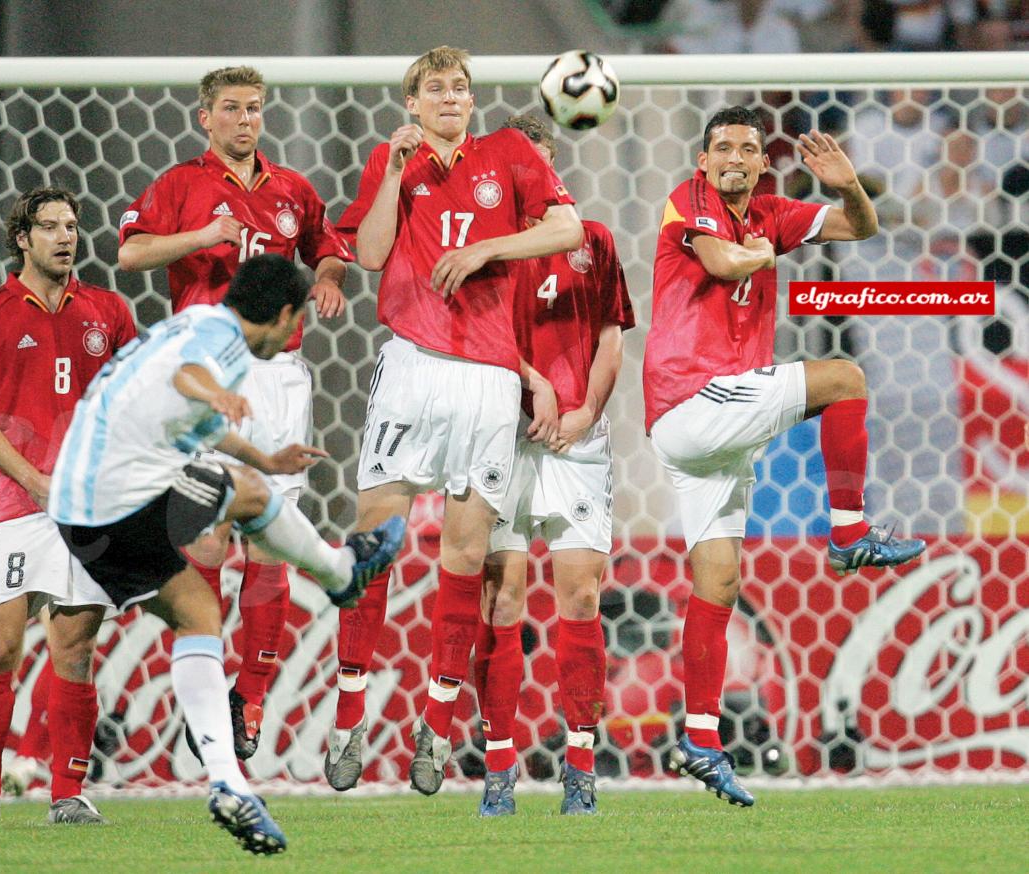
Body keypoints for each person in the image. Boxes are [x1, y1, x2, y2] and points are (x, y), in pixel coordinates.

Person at [48, 254, 405, 856]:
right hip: (119, 500)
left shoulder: (197, 324)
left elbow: (189, 418)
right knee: (240, 518)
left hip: (81, 507)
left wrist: (265, 455)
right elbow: (189, 378)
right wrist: (219, 393)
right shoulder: (218, 341)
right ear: (287, 315)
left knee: (204, 600)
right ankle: (341, 575)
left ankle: (227, 785)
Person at [644, 105, 925, 807]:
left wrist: (848, 185)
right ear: (703, 160)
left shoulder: (771, 208)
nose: (734, 156)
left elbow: (862, 227)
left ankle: (701, 739)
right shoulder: (688, 200)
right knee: (844, 379)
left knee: (718, 580)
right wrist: (772, 247)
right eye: (722, 147)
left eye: (748, 146)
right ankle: (851, 532)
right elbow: (720, 260)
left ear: (765, 161)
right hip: (695, 396)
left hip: (711, 433)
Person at [327, 46, 582, 796]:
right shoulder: (391, 159)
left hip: (490, 379)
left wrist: (487, 247)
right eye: (435, 88)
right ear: (411, 103)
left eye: (460, 87)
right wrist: (393, 174)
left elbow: (567, 228)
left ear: (473, 101)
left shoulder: (508, 154)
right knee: (374, 539)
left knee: (466, 558)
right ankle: (349, 719)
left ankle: (434, 728)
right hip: (411, 366)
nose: (450, 97)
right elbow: (370, 253)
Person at [117, 64, 353, 761]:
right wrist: (201, 237)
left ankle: (246, 699)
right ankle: (205, 681)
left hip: (277, 378)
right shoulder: (179, 185)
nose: (245, 119)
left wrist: (332, 281)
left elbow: (330, 249)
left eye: (254, 108)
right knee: (207, 539)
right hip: (204, 374)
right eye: (231, 108)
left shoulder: (292, 190)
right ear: (205, 118)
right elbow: (129, 253)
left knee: (270, 540)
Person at [0, 186, 137, 826]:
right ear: (22, 238)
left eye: (72, 226)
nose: (64, 236)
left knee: (75, 650)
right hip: (11, 504)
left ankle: (68, 794)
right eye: (48, 226)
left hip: (87, 507)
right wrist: (33, 478)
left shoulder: (109, 310)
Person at [474, 116, 636, 817]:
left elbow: (610, 338)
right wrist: (529, 388)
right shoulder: (484, 250)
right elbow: (469, 338)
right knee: (502, 601)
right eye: (523, 167)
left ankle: (580, 768)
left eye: (544, 164)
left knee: (579, 597)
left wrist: (583, 412)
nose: (537, 177)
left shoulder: (592, 240)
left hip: (576, 440)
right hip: (502, 437)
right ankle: (500, 768)